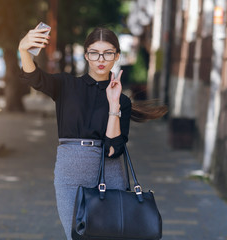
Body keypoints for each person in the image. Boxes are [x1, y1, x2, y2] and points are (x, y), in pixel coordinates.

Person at [18, 25, 167, 239]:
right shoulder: (66, 85)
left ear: (116, 56)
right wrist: (24, 51)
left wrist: (113, 104)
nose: (101, 59)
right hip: (70, 174)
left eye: (108, 53)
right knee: (75, 236)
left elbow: (113, 150)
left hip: (111, 173)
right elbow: (35, 78)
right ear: (86, 54)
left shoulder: (122, 101)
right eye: (95, 52)